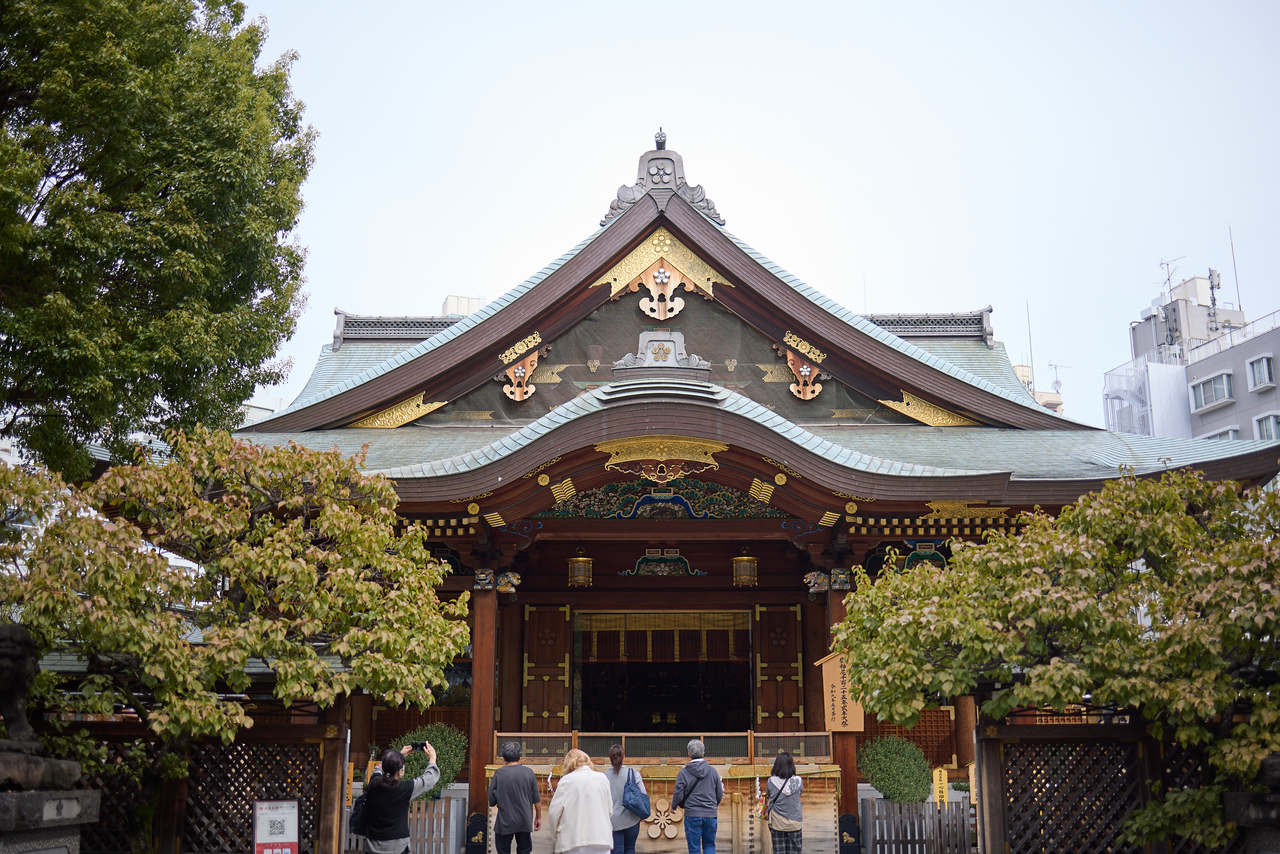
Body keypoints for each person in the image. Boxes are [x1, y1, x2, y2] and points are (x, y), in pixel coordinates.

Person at [364, 742, 440, 854]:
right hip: (396, 847)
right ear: (400, 771)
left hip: (372, 845)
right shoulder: (405, 789)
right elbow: (428, 779)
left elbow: (378, 769)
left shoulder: (374, 783)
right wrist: (432, 759)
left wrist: (397, 756)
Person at [547, 748, 614, 854]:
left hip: (574, 839)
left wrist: (556, 835)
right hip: (601, 838)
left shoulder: (565, 781)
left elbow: (554, 813)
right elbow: (609, 810)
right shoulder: (602, 778)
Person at [489, 741, 542, 854]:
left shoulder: (499, 774)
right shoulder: (529, 773)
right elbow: (536, 798)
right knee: (524, 850)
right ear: (520, 757)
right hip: (524, 820)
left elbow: (491, 800)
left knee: (503, 851)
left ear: (504, 758)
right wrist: (538, 817)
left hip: (504, 821)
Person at [671, 739, 724, 854]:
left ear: (688, 754)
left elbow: (678, 793)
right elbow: (719, 793)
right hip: (710, 814)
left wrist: (674, 806)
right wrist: (712, 806)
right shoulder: (712, 771)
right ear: (703, 752)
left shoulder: (683, 773)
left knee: (694, 849)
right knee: (709, 845)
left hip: (692, 814)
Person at [605, 744, 647, 854]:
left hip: (612, 821)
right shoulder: (633, 774)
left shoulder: (603, 777)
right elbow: (643, 795)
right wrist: (641, 815)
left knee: (616, 850)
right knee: (630, 849)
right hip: (632, 819)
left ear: (609, 758)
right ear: (624, 757)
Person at [764, 751, 804, 854]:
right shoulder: (798, 781)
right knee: (795, 851)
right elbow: (798, 794)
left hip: (777, 822)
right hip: (795, 822)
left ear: (777, 765)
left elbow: (769, 795)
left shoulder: (771, 781)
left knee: (778, 851)